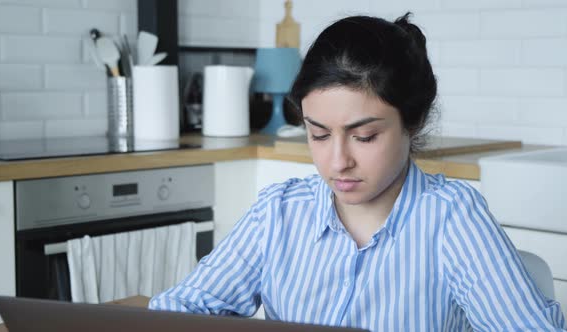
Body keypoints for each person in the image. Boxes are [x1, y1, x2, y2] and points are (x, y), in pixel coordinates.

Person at [149, 13, 566, 331]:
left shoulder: (451, 219)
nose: (337, 162)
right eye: (318, 134)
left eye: (364, 136)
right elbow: (182, 310)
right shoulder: (277, 214)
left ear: (413, 121)